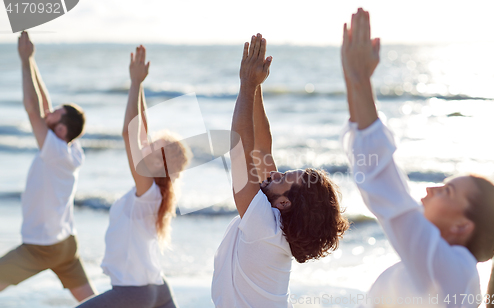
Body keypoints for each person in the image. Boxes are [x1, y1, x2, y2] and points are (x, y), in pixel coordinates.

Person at [341, 8, 494, 308]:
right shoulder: (438, 269)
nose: (429, 190)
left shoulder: (456, 272)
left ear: (462, 226)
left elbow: (390, 194)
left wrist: (360, 80)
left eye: (447, 191)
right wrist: (353, 81)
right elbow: (377, 179)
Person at [211, 33, 350, 307]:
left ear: (285, 202)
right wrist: (257, 86)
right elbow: (261, 150)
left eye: (283, 177)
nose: (274, 173)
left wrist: (246, 84)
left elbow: (240, 150)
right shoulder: (274, 223)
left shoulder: (264, 225)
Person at [77, 45, 190, 308]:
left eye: (153, 145)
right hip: (158, 290)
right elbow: (140, 131)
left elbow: (130, 134)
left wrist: (135, 82)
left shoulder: (148, 190)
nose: (146, 143)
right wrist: (139, 87)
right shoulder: (155, 192)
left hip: (134, 293)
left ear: (158, 162)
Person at [0, 31, 95, 302]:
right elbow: (42, 104)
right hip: (65, 244)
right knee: (90, 302)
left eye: (55, 114)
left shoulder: (53, 151)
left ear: (62, 128)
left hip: (41, 247)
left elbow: (32, 108)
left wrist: (22, 61)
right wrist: (31, 60)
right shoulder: (71, 150)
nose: (48, 113)